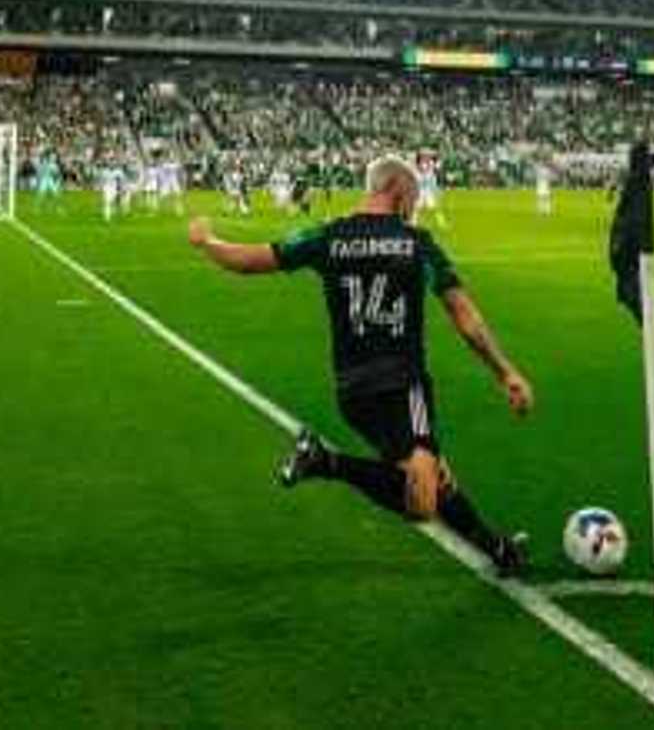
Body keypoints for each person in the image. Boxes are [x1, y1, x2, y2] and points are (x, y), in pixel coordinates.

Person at [185, 155, 533, 576]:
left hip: (352, 391)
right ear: (398, 191)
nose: (414, 208)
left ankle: (498, 550)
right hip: (402, 382)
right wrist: (505, 371)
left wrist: (207, 242)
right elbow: (464, 316)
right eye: (413, 199)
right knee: (421, 500)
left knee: (434, 476)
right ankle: (325, 461)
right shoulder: (415, 242)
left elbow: (249, 261)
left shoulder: (329, 237)